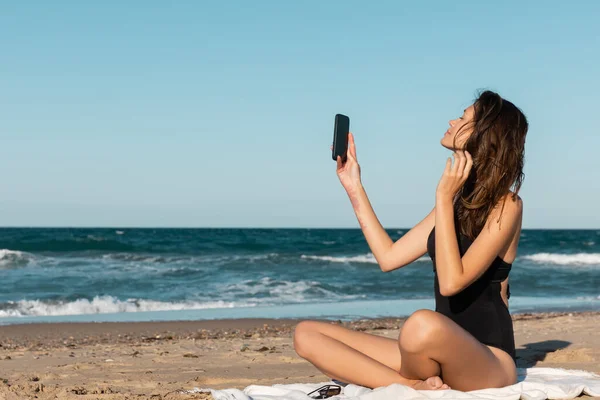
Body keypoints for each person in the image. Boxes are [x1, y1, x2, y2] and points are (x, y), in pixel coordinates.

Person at [293, 90, 528, 392]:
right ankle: (413, 386)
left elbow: (451, 282)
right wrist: (354, 186)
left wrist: (443, 197)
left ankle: (409, 383)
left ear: (485, 134)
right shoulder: (454, 200)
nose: (452, 120)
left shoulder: (507, 205)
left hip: (488, 360)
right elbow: (388, 257)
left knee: (419, 325)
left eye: (464, 118)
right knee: (306, 334)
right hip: (432, 349)